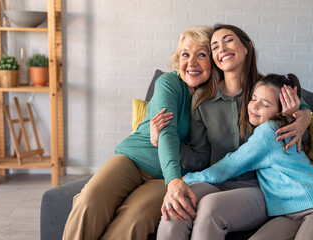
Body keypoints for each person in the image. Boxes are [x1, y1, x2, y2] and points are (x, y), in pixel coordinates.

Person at [154, 24, 313, 239]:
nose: (222, 49)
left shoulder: (269, 90)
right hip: (215, 181)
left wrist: (303, 115)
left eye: (228, 40)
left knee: (211, 208)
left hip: (261, 187)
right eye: (215, 46)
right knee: (176, 208)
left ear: (246, 47)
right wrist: (161, 143)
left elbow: (299, 130)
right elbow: (200, 156)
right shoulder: (202, 99)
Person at [62, 25, 218, 240]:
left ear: (214, 61)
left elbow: (201, 158)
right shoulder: (169, 83)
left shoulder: (214, 100)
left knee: (135, 219)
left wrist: (165, 148)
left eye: (201, 54)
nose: (191, 62)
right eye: (185, 54)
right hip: (133, 159)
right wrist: (173, 173)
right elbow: (168, 132)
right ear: (177, 60)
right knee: (90, 200)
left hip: (163, 177)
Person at [183, 73, 313, 240]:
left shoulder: (269, 131)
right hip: (287, 213)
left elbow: (229, 166)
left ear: (280, 111)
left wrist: (187, 178)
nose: (255, 106)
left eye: (265, 104)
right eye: (253, 99)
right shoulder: (277, 127)